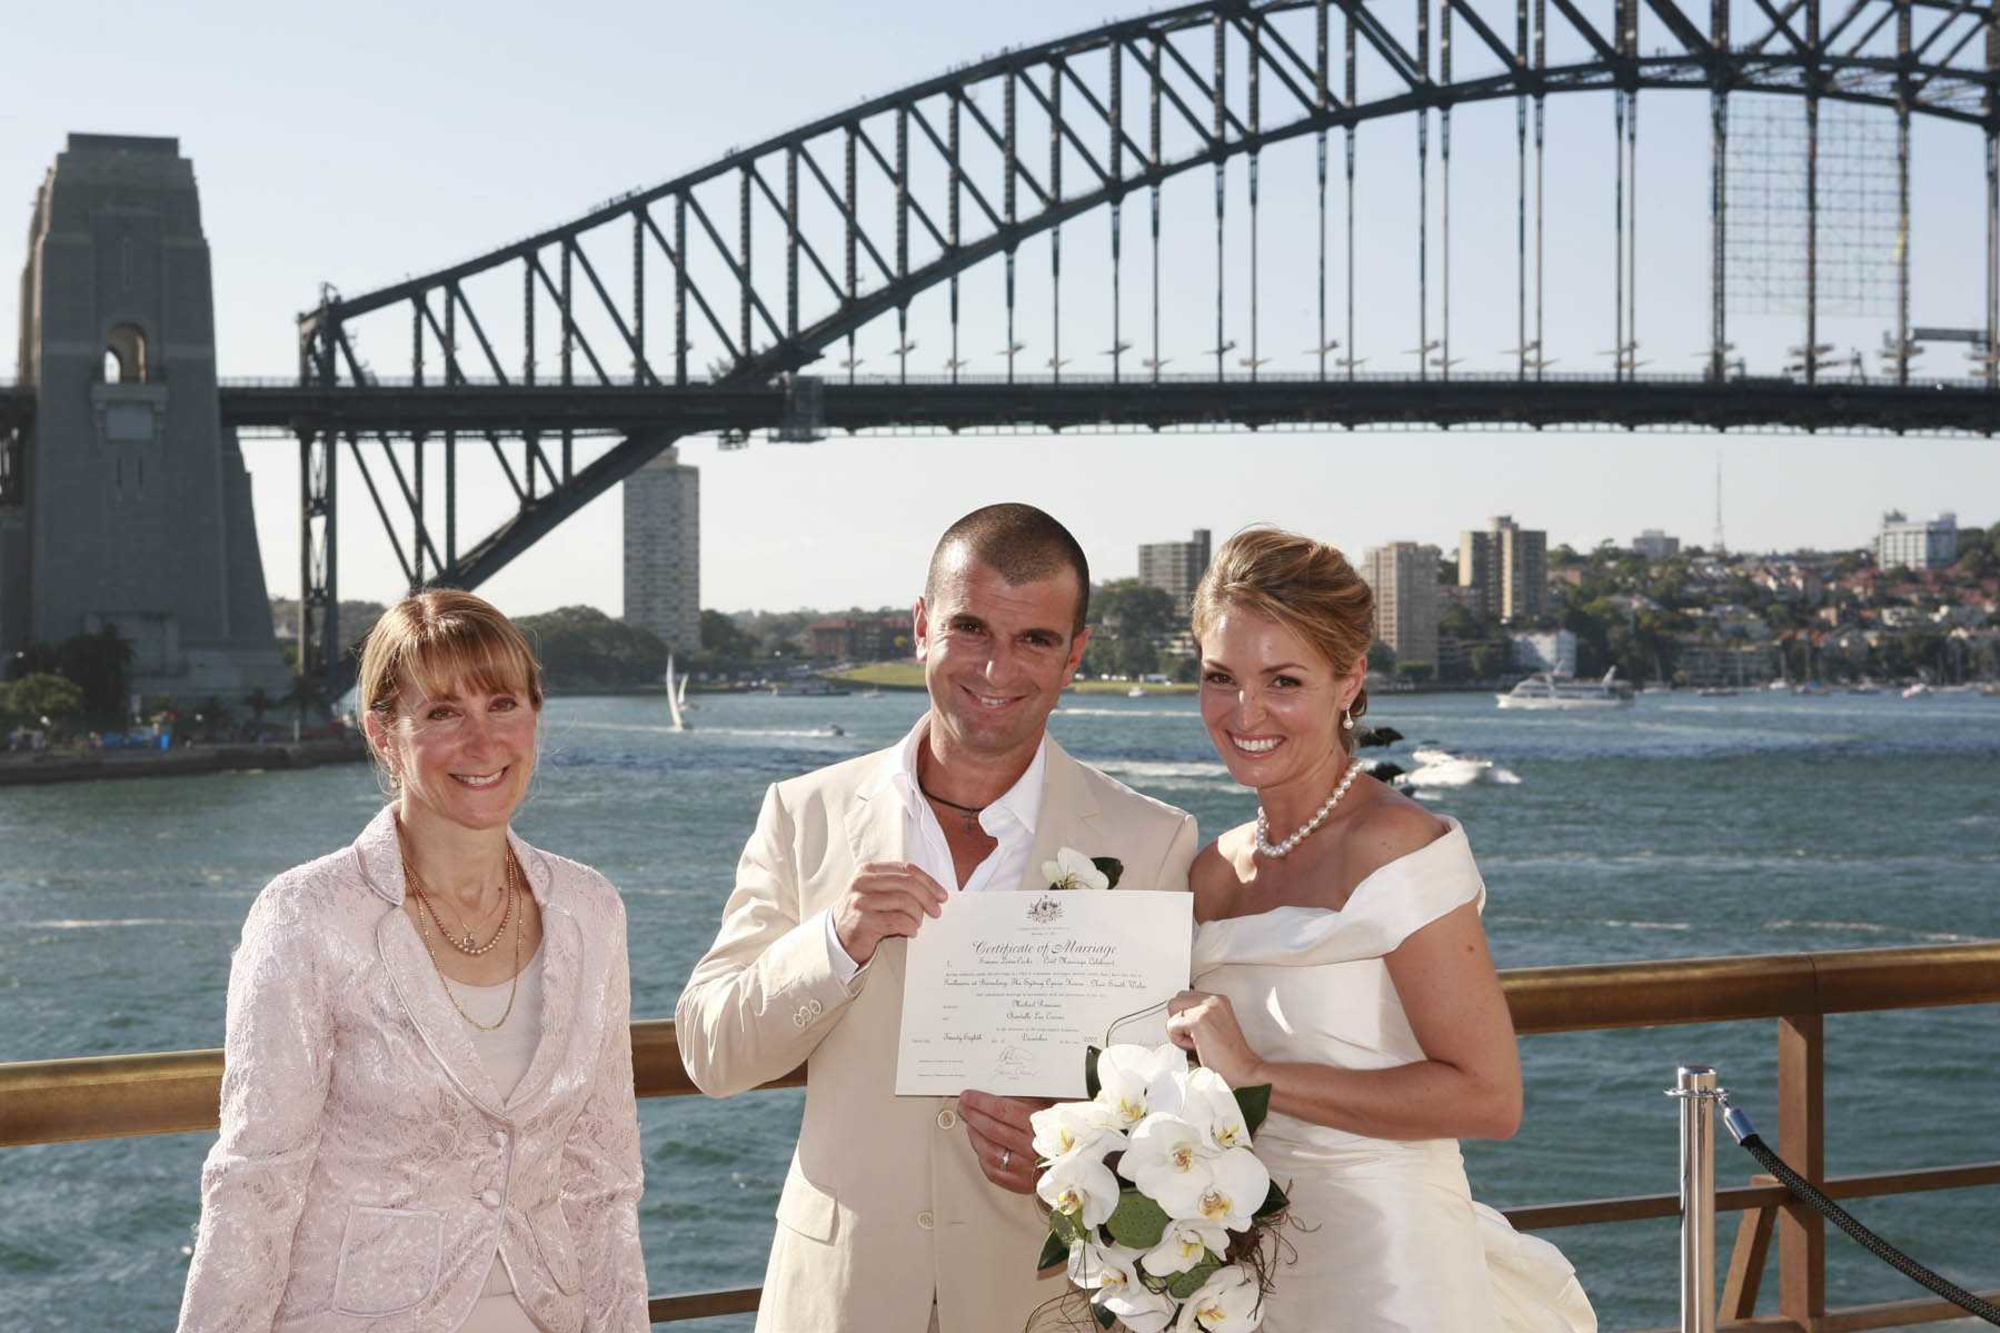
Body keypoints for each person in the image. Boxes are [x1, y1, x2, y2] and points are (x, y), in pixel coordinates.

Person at [676, 503, 1199, 1333]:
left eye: (1034, 639)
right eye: (971, 627)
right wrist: (836, 942)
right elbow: (711, 1053)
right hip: (837, 1298)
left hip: (1043, 1302)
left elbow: (1174, 1106)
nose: (997, 666)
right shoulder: (802, 814)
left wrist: (1080, 1148)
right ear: (922, 627)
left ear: (1075, 656)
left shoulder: (1153, 841)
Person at [177, 591, 648, 1333]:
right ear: (383, 734)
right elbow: (255, 1181)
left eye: (502, 703)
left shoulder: (592, 910)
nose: (483, 740)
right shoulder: (308, 914)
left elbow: (604, 1179)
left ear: (535, 716)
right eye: (441, 713)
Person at [1165, 528, 1595, 1332]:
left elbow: (1489, 1096)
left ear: (1350, 680)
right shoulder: (1210, 872)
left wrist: (1256, 1071)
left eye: (1283, 680)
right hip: (1237, 1270)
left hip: (1387, 1274)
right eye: (1219, 678)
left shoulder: (1398, 847)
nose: (1243, 712)